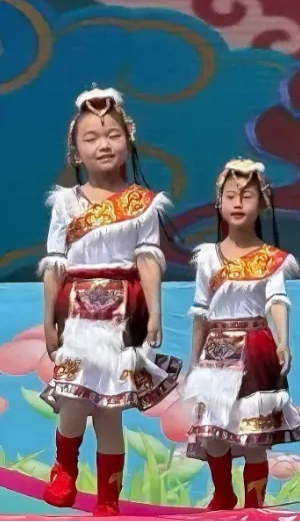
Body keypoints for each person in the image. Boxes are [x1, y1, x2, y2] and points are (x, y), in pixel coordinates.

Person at [38, 87, 181, 516]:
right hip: (78, 315)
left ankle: (107, 502)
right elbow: (55, 265)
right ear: (76, 150)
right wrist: (48, 321)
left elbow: (148, 260)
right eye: (92, 137)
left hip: (123, 317)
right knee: (73, 398)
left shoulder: (143, 204)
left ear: (128, 139)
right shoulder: (66, 202)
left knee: (109, 412)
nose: (104, 144)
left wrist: (155, 313)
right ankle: (64, 467)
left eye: (112, 134)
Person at [184, 159, 300, 510]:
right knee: (214, 433)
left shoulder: (271, 259)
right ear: (219, 203)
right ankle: (222, 494)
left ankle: (254, 507)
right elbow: (201, 312)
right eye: (230, 196)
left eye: (247, 196)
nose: (238, 203)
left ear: (262, 203)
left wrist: (283, 340)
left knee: (254, 435)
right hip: (216, 352)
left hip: (256, 350)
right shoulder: (207, 258)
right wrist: (193, 361)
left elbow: (276, 300)